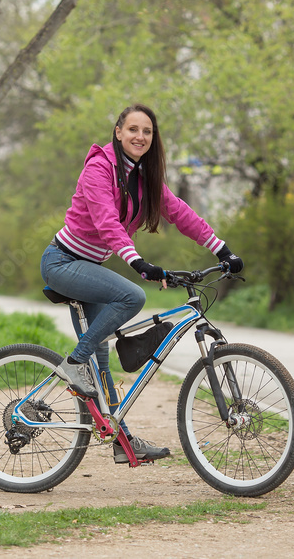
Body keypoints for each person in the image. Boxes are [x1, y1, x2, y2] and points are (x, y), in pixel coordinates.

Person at [40, 103, 244, 463]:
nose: (140, 136)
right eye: (133, 129)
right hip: (63, 262)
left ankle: (122, 441)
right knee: (132, 297)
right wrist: (138, 263)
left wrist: (222, 250)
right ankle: (73, 364)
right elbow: (106, 221)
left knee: (100, 361)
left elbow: (179, 212)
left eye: (147, 131)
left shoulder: (143, 178)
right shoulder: (99, 168)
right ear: (118, 132)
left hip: (90, 268)